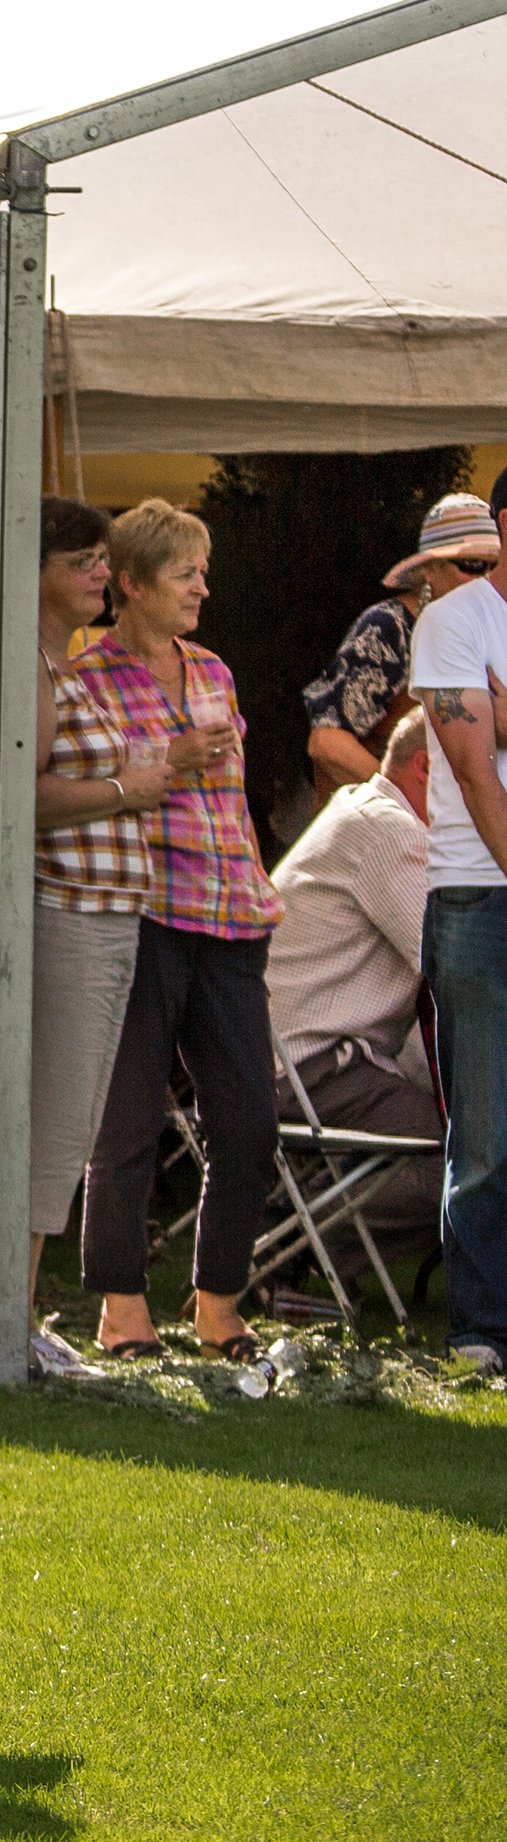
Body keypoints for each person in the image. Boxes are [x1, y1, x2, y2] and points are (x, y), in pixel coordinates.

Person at [71, 498, 277, 1364]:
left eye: (202, 570)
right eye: (184, 572)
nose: (201, 585)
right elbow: (96, 785)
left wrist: (261, 879)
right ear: (131, 584)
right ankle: (123, 1310)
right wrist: (172, 761)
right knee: (127, 1123)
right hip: (148, 914)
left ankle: (218, 1303)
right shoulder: (88, 677)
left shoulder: (216, 672)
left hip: (232, 918)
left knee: (249, 1123)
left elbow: (233, 795)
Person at [25, 499, 172, 1375]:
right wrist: (129, 789)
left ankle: (19, 1312)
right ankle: (11, 1318)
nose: (99, 577)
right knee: (52, 1124)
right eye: (82, 561)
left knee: (70, 1124)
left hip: (110, 917)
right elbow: (28, 794)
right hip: (69, 917)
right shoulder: (34, 671)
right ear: (36, 566)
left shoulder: (65, 664)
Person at [267, 707, 442, 1246]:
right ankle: (284, 1243)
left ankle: (290, 1225)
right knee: (463, 1157)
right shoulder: (390, 832)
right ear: (426, 769)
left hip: (291, 1057)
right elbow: (449, 962)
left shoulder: (363, 808)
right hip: (307, 1065)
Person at [411, 493, 507, 1381]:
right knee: (486, 1134)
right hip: (481, 895)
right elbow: (479, 775)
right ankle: (480, 1331)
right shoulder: (452, 622)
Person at [307, 494, 498, 796]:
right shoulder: (390, 628)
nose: (485, 578)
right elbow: (328, 743)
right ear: (428, 570)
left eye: (495, 566)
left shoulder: (494, 631)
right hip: (395, 831)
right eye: (471, 564)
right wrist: (406, 804)